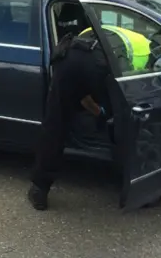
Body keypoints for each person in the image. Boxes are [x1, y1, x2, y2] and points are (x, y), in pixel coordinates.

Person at [28, 33, 111, 210]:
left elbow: (81, 94)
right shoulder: (141, 48)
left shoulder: (98, 31)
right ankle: (139, 183)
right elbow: (83, 94)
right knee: (127, 118)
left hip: (73, 58)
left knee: (55, 126)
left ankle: (39, 189)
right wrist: (100, 112)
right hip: (97, 64)